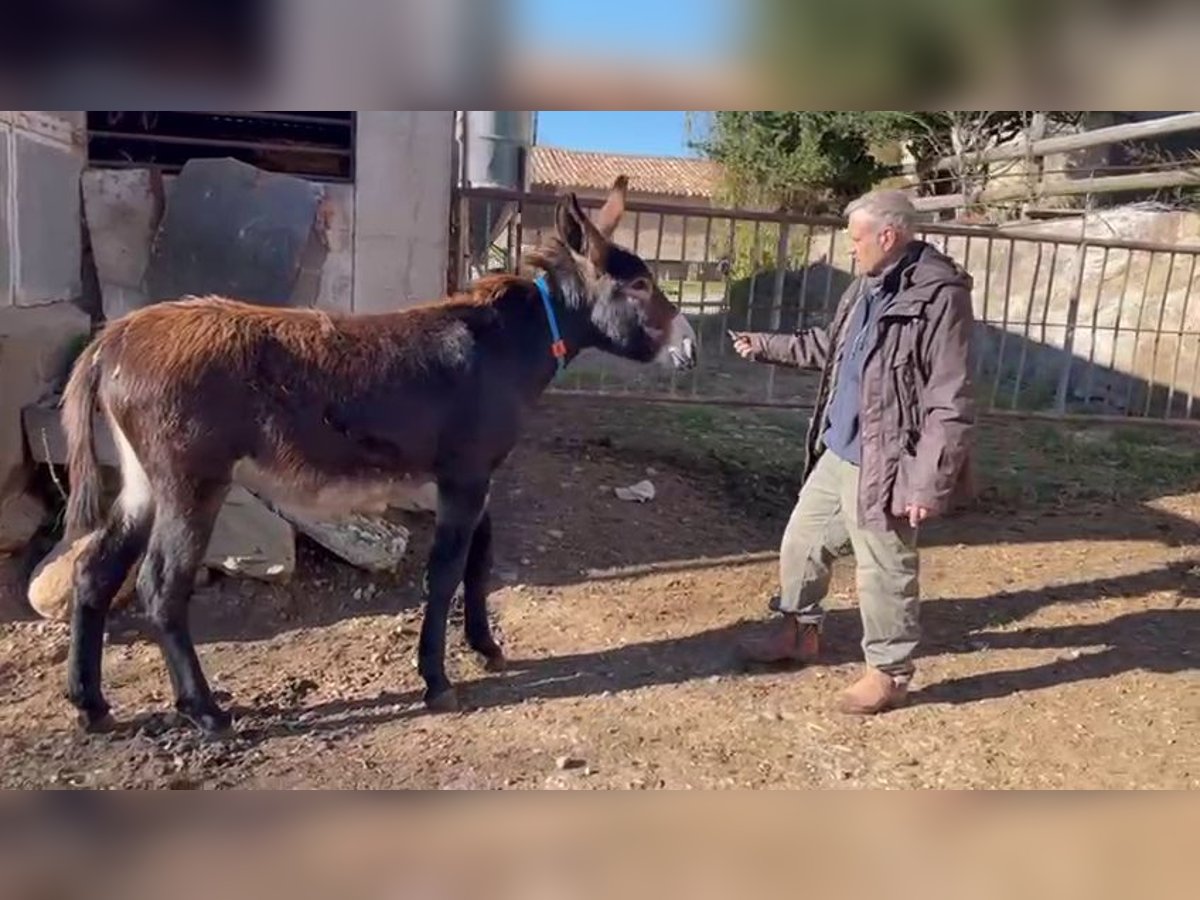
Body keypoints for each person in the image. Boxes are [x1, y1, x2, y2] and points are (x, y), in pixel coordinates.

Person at [729, 188, 976, 714]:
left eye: (856, 238)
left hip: (890, 459)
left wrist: (929, 481)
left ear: (888, 236)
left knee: (884, 565)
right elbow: (831, 347)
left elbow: (949, 397)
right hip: (840, 447)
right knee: (802, 541)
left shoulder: (939, 296)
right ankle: (799, 633)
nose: (850, 249)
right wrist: (765, 346)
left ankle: (888, 672)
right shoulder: (863, 289)